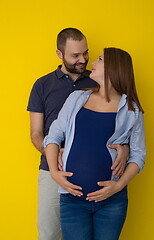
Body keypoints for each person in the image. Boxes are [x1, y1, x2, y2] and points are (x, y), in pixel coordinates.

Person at [27, 28, 129, 240]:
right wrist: (56, 156)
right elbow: (37, 133)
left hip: (97, 183)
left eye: (86, 53)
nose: (83, 60)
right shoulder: (42, 85)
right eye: (75, 55)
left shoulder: (97, 82)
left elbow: (120, 124)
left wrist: (125, 148)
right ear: (59, 54)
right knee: (49, 234)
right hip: (51, 171)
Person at [43, 47, 146, 240]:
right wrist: (55, 173)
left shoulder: (132, 110)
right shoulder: (76, 99)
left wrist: (118, 186)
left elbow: (139, 155)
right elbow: (53, 136)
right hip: (72, 200)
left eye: (99, 60)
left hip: (112, 202)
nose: (93, 64)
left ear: (114, 68)